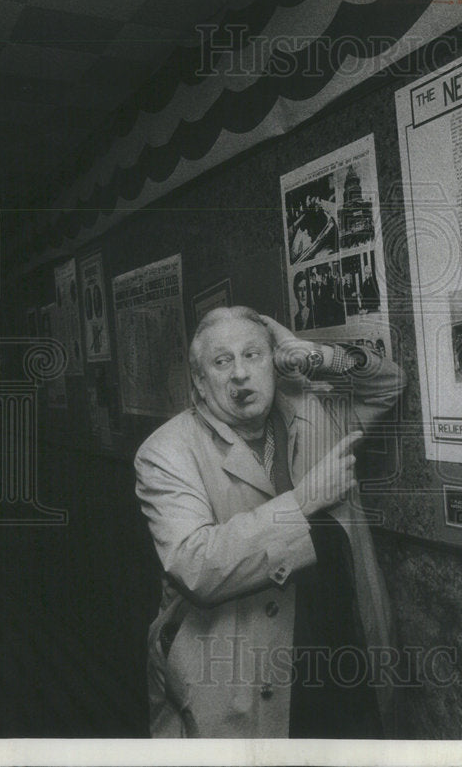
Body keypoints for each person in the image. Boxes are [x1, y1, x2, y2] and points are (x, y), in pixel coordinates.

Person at [135, 307, 405, 738]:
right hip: (244, 679)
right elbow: (196, 564)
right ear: (200, 384)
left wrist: (316, 355)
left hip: (341, 659)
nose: (241, 373)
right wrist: (300, 503)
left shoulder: (311, 413)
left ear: (274, 362)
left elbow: (388, 385)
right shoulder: (166, 452)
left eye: (254, 355)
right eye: (222, 362)